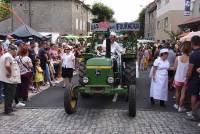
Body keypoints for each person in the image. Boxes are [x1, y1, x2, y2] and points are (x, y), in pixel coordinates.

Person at [0, 45, 21, 115]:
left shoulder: (5, 55)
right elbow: (7, 65)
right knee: (9, 95)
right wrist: (10, 72)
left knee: (9, 95)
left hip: (8, 79)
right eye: (16, 51)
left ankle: (10, 108)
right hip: (10, 79)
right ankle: (8, 110)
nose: (16, 52)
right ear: (13, 50)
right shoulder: (8, 56)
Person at [173, 41, 191, 112]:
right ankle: (180, 107)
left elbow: (174, 68)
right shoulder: (190, 59)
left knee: (177, 92)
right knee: (183, 93)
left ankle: (176, 105)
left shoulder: (178, 58)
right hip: (185, 79)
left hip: (178, 77)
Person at [186, 36, 200, 120]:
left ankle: (193, 113)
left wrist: (187, 78)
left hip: (194, 78)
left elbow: (189, 70)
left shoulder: (193, 54)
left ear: (192, 43)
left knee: (193, 95)